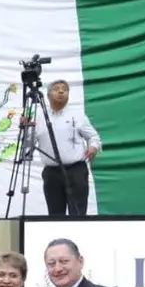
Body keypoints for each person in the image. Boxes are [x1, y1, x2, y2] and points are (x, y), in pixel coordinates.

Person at [34, 80, 102, 216]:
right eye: (56, 89)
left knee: (77, 213)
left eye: (65, 89)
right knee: (54, 214)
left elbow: (94, 137)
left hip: (75, 170)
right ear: (48, 95)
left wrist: (93, 147)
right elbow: (28, 142)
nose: (61, 91)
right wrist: (25, 128)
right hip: (51, 173)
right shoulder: (40, 117)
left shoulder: (77, 115)